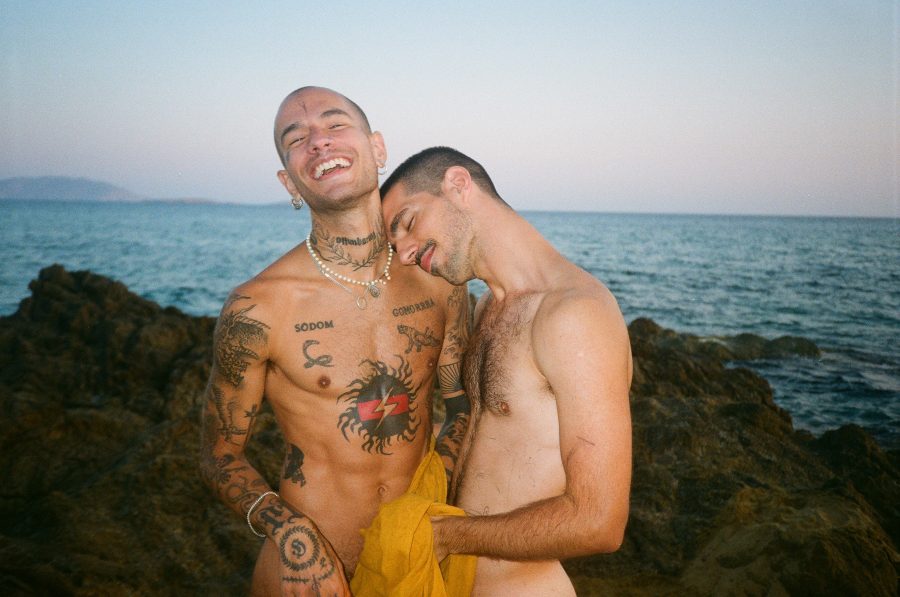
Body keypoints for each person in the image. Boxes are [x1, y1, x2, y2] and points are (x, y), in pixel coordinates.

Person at [199, 88, 472, 596]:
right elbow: (219, 454)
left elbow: (460, 409)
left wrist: (428, 510)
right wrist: (294, 535)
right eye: (296, 139)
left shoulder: (440, 281)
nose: (319, 142)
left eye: (335, 125)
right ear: (290, 182)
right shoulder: (258, 308)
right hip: (310, 574)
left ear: (378, 148)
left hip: (422, 555)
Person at [380, 146, 633, 596]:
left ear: (459, 185)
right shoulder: (487, 308)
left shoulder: (573, 314)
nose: (403, 253)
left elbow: (599, 521)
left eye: (408, 223)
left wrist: (443, 536)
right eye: (394, 243)